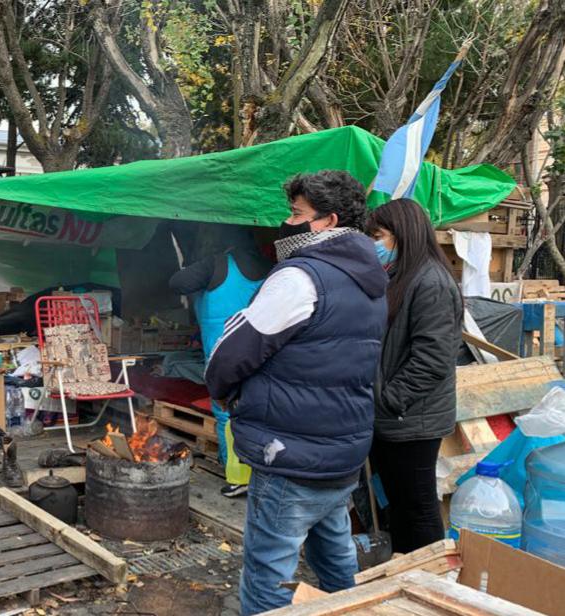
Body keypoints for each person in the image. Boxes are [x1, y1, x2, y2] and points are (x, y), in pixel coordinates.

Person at [205, 170, 388, 615]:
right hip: (341, 449)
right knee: (336, 559)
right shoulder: (370, 278)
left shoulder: (301, 278)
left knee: (270, 575)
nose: (287, 222)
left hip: (290, 449)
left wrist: (223, 391)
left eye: (296, 213)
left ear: (326, 221)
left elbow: (234, 353)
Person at [366, 198, 463, 554]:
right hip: (397, 417)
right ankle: (403, 570)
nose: (374, 244)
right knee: (400, 504)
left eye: (379, 236)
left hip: (413, 418)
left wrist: (388, 399)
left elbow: (433, 359)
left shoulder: (431, 283)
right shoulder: (400, 277)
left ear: (402, 235)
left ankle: (427, 578)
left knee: (418, 507)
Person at [169, 229, 271, 497]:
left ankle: (238, 476)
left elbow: (177, 282)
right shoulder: (272, 268)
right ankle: (262, 472)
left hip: (224, 354)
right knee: (262, 408)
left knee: (227, 412)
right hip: (263, 349)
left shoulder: (216, 264)